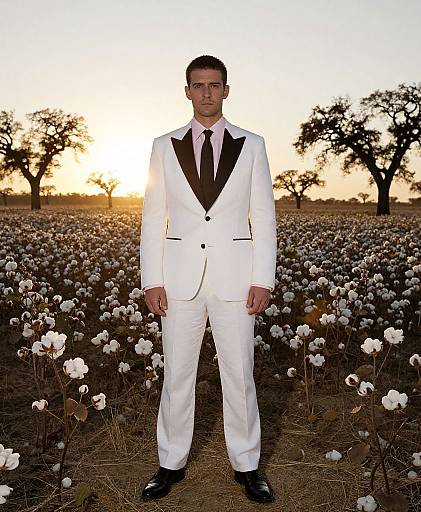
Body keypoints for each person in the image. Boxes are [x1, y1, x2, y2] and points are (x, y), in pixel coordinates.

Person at [139, 55, 277, 503]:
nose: (206, 93)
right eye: (198, 86)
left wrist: (264, 278)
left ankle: (248, 465)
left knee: (239, 374)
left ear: (226, 90)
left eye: (214, 85)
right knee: (177, 374)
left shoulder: (252, 144)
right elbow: (152, 217)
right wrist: (151, 279)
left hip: (237, 279)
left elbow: (264, 216)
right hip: (178, 281)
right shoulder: (164, 145)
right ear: (186, 91)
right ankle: (170, 462)